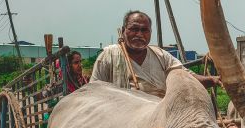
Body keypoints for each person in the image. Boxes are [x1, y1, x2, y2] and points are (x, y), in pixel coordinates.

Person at [91, 10, 220, 97]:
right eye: (134, 29)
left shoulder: (161, 56)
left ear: (150, 32)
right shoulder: (108, 56)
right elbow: (94, 92)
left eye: (144, 30)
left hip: (158, 120)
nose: (139, 34)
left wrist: (212, 80)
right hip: (121, 121)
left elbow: (186, 77)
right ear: (124, 31)